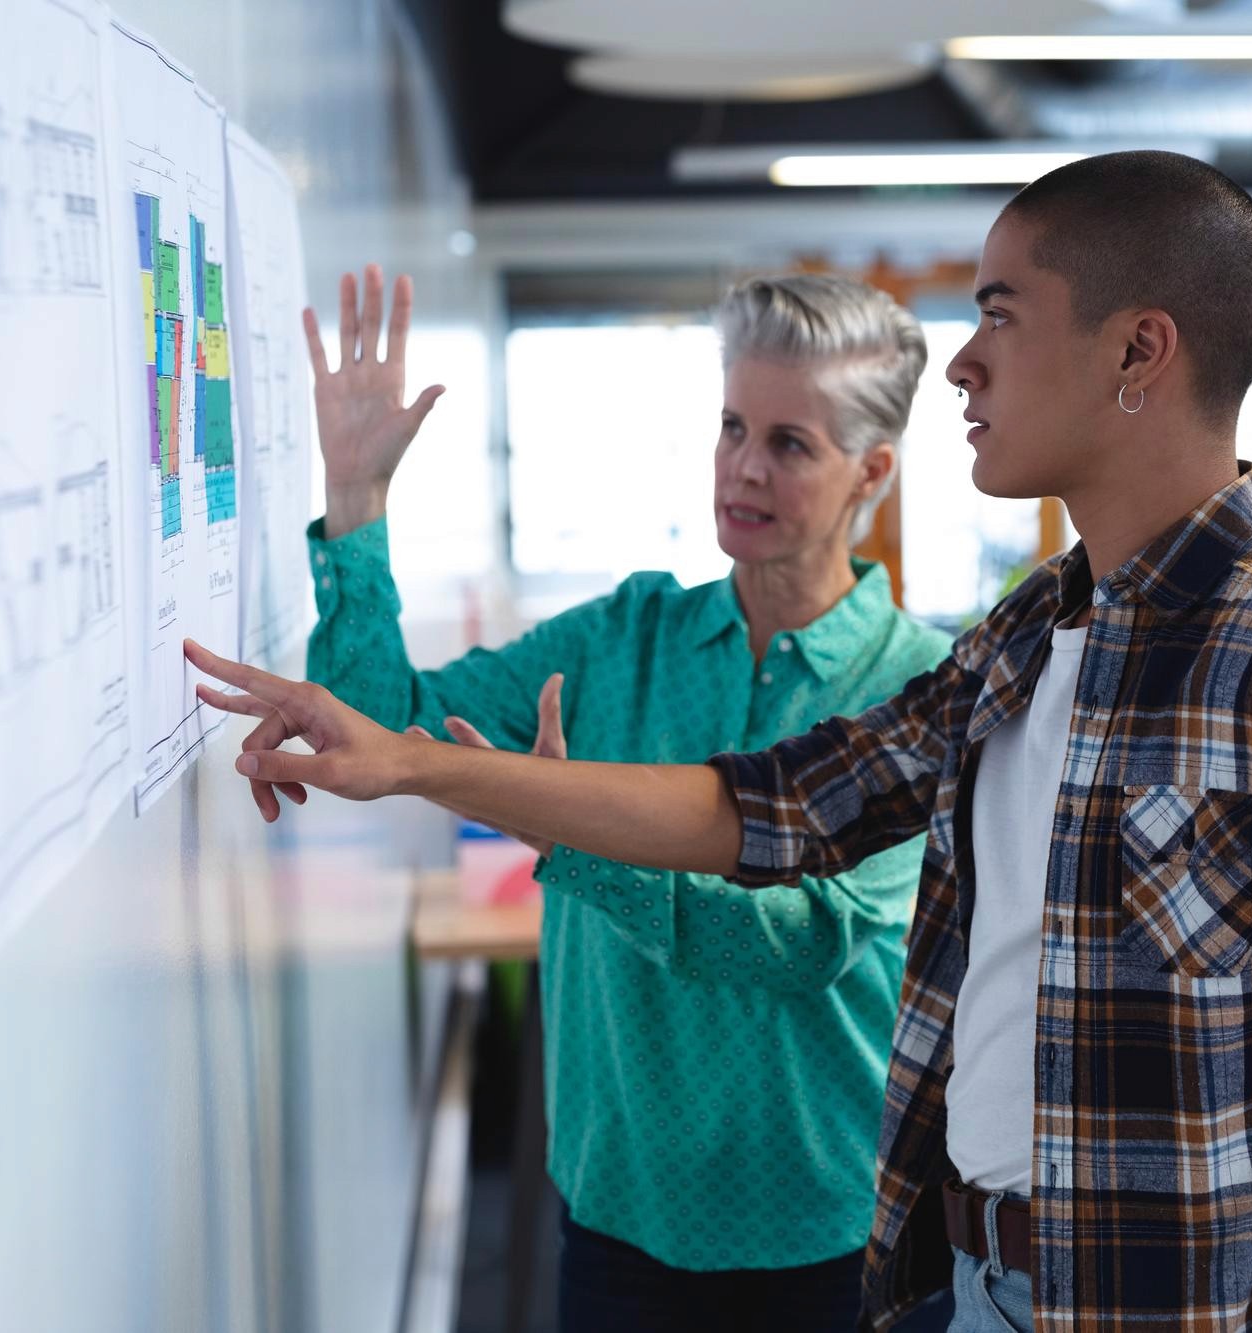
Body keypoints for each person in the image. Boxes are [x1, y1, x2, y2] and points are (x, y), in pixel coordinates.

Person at [191, 152, 1252, 1332]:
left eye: (1001, 316)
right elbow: (768, 810)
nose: (964, 364)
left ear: (1137, 354)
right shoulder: (1025, 640)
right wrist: (421, 763)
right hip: (963, 1283)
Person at [283, 265, 951, 1331]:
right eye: (732, 425)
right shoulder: (621, 638)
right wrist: (356, 501)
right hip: (622, 1214)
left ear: (870, 471)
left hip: (831, 1230)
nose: (741, 465)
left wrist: (561, 828)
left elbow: (797, 942)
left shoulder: (920, 687)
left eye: (789, 443)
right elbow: (382, 727)